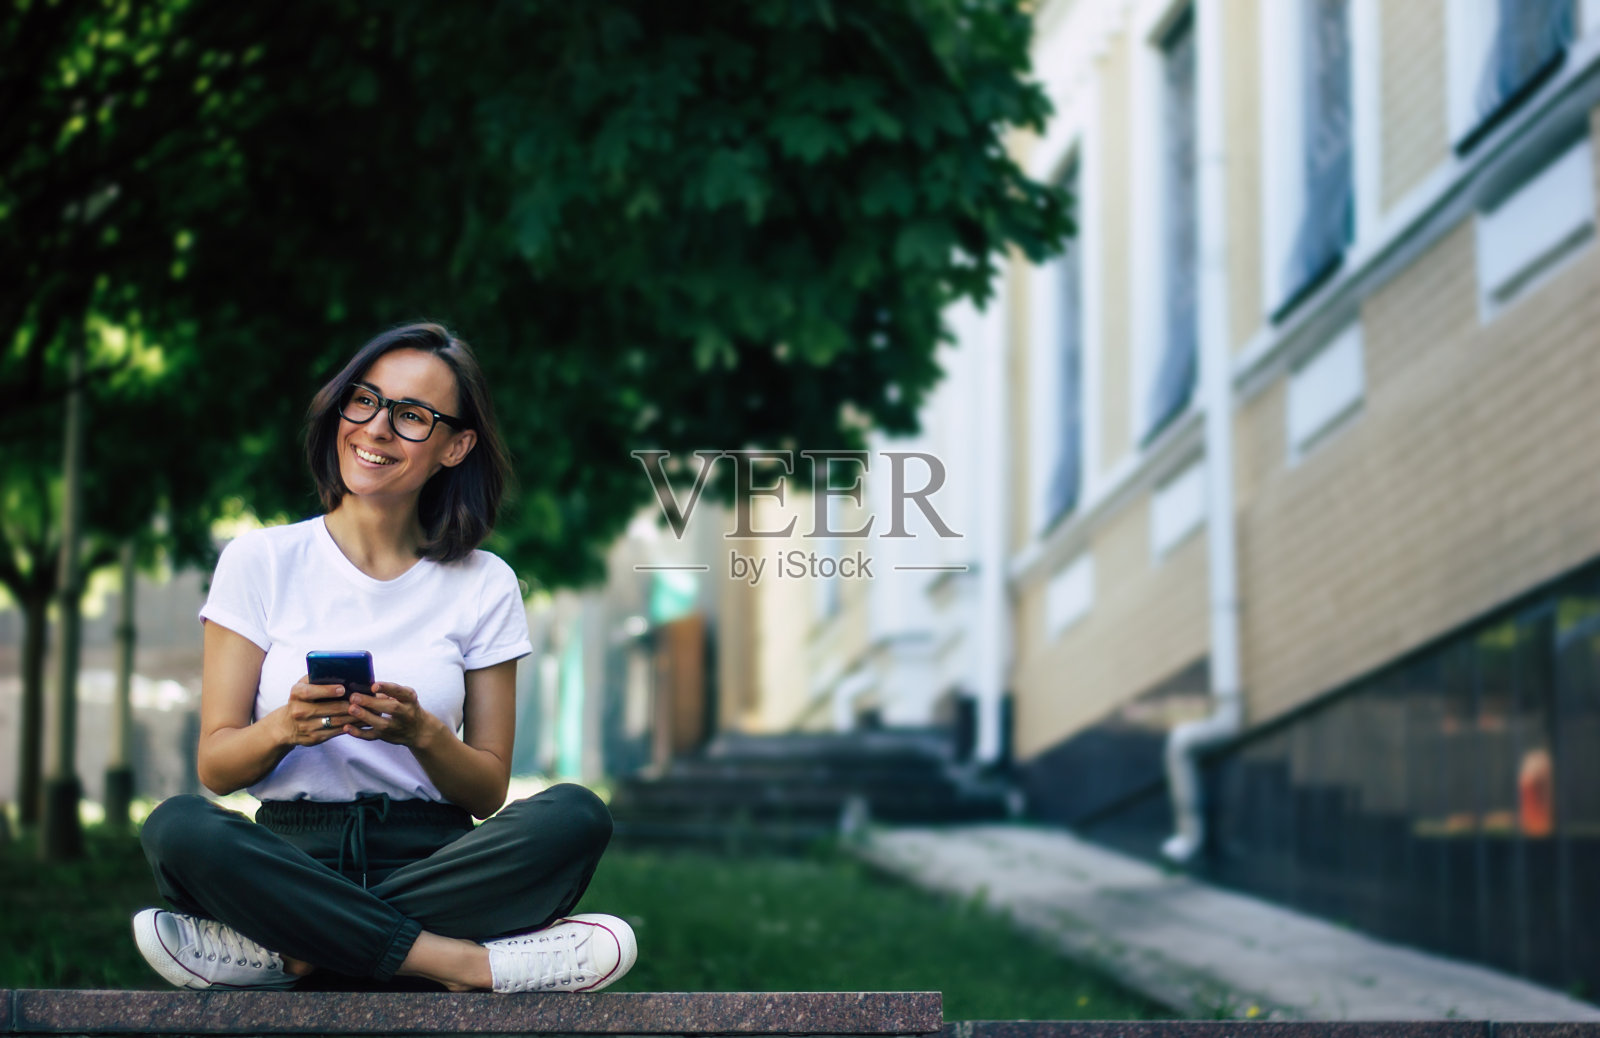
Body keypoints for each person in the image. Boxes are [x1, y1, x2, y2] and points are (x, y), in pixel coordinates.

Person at [131, 322, 636, 994]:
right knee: (178, 827)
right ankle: (462, 963)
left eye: (411, 417)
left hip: (438, 857)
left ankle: (293, 951)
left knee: (576, 814)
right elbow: (216, 767)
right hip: (291, 855)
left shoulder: (485, 581)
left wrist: (422, 734)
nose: (374, 429)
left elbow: (486, 791)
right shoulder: (260, 561)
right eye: (363, 400)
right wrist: (284, 727)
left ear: (456, 446)